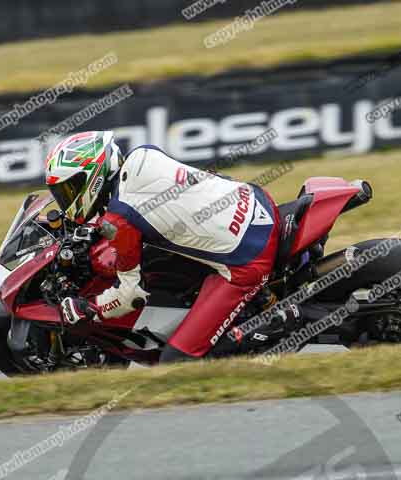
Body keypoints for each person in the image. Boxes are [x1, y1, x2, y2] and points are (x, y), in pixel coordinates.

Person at [46, 130, 298, 364]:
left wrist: (91, 309)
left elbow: (131, 295)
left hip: (248, 259)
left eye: (69, 189)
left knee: (174, 362)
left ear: (93, 176)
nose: (66, 198)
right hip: (255, 201)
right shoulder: (143, 154)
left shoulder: (119, 220)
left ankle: (277, 323)